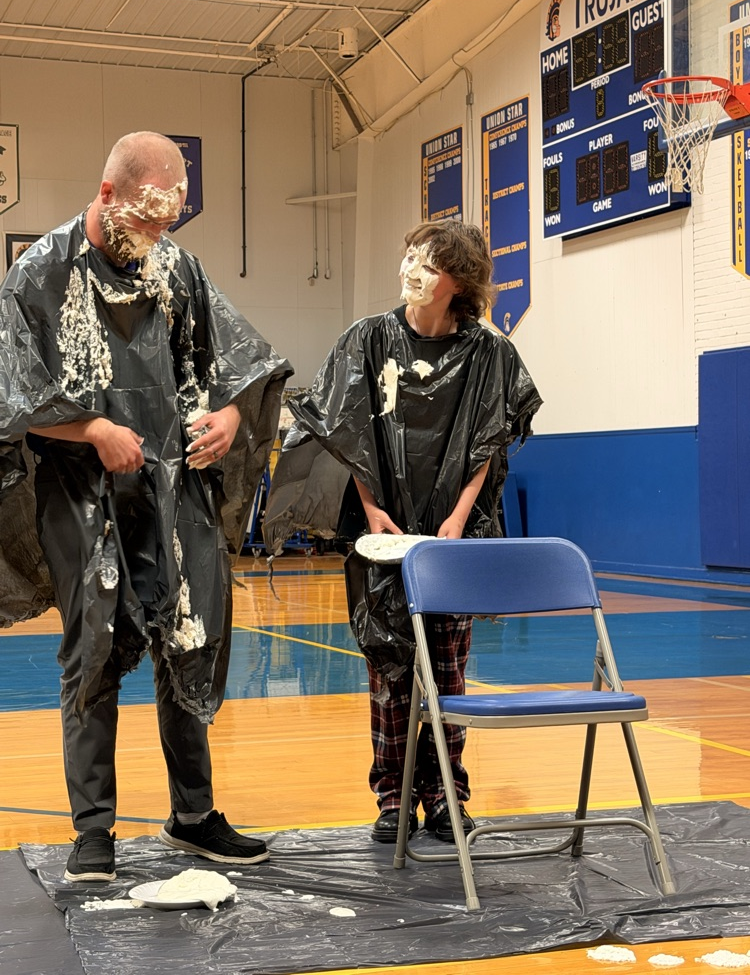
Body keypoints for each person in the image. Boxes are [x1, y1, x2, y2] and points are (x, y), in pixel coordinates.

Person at [0, 131, 293, 880]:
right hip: (80, 490)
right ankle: (93, 830)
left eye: (170, 222)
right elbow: (13, 396)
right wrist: (93, 429)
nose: (158, 236)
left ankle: (193, 814)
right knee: (93, 647)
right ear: (107, 196)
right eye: (148, 219)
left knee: (187, 634)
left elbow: (236, 363)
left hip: (172, 483)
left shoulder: (175, 266)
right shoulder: (39, 273)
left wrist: (228, 419)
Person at [263, 220, 541, 843]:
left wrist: (458, 520)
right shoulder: (367, 341)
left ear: (459, 282)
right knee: (389, 670)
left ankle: (445, 794)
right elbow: (349, 430)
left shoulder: (489, 353)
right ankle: (393, 799)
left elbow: (487, 444)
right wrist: (370, 508)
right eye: (410, 254)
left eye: (431, 262)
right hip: (383, 534)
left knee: (448, 673)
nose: (414, 268)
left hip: (452, 539)